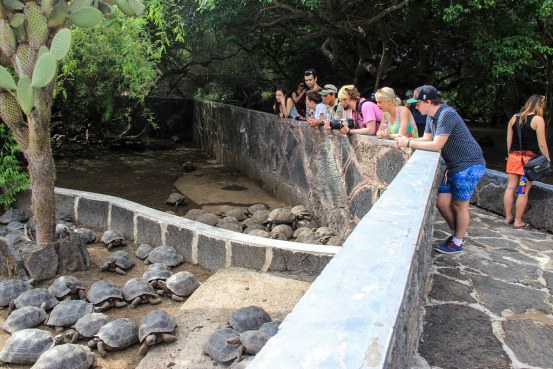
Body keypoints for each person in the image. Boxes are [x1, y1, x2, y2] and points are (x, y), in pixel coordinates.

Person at [396, 85, 486, 254]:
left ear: (428, 102)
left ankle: (458, 241)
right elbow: (426, 138)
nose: (415, 107)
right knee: (442, 202)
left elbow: (437, 145)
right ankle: (456, 234)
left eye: (418, 103)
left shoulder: (446, 114)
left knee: (460, 205)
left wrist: (407, 143)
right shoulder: (431, 116)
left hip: (469, 164)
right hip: (453, 165)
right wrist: (405, 138)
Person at [503, 94, 550, 228]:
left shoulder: (514, 117)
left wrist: (510, 154)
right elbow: (542, 143)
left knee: (510, 187)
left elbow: (509, 140)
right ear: (539, 106)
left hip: (513, 157)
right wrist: (547, 159)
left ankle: (507, 217)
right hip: (528, 162)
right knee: (523, 190)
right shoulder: (538, 120)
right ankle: (518, 221)